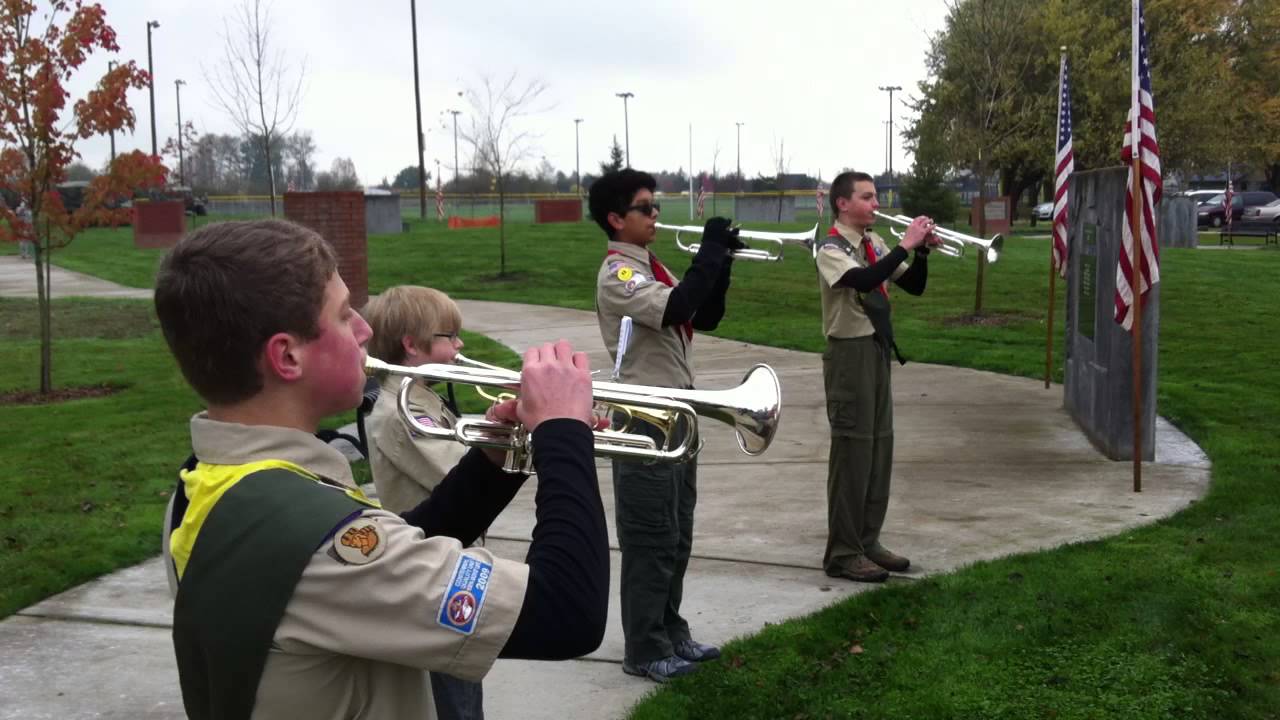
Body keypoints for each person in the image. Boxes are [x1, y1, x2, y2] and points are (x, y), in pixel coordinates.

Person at [154, 219, 609, 720]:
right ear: (287, 356)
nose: (367, 330)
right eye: (346, 315)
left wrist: (496, 458)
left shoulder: (207, 481)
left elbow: (395, 546)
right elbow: (569, 613)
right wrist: (564, 433)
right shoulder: (317, 546)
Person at [589, 168, 738, 683]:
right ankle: (644, 647)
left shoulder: (652, 267)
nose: (656, 215)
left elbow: (703, 312)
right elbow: (676, 305)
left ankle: (671, 631)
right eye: (645, 208)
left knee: (678, 530)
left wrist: (722, 265)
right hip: (644, 417)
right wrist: (709, 253)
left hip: (677, 411)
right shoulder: (620, 274)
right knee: (650, 534)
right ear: (615, 219)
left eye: (655, 206)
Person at [361, 285, 483, 720]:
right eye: (448, 336)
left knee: (463, 684)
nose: (459, 346)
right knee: (454, 695)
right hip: (433, 571)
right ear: (411, 346)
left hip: (449, 559)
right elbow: (461, 476)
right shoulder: (402, 412)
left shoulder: (420, 399)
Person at [816, 171, 940, 584]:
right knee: (852, 453)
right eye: (867, 197)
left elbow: (915, 287)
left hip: (877, 349)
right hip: (849, 355)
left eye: (876, 196)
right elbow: (865, 281)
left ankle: (867, 541)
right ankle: (843, 552)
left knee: (879, 449)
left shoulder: (874, 244)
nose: (876, 204)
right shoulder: (831, 247)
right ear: (842, 204)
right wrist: (906, 243)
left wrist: (921, 253)